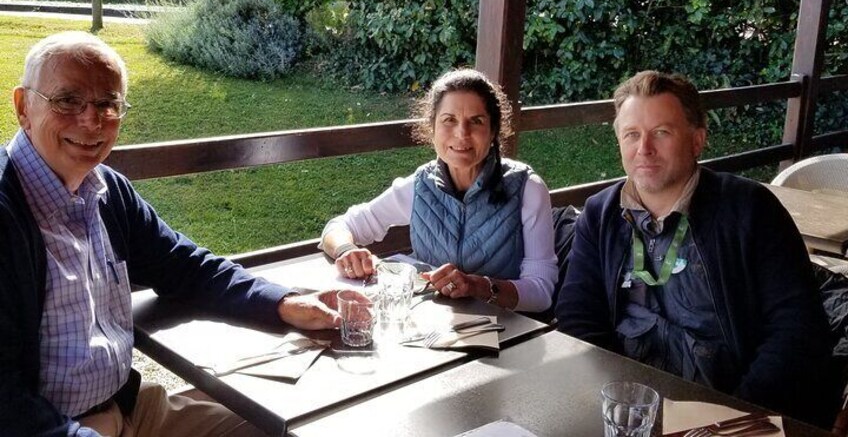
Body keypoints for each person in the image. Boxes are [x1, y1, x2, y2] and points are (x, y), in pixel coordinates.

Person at [0, 31, 346, 437]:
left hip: (130, 407)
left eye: (109, 104)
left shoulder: (107, 191)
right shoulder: (8, 213)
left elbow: (184, 266)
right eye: (68, 100)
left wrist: (283, 302)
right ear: (23, 107)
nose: (92, 120)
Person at [556, 70, 840, 426]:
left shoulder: (750, 210)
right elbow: (578, 316)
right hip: (628, 407)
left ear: (697, 140)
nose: (643, 148)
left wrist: (736, 416)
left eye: (661, 132)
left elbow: (796, 329)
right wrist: (616, 402)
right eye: (631, 134)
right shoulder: (601, 214)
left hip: (730, 408)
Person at [320, 68, 557, 313]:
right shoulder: (420, 185)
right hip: (433, 330)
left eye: (476, 121)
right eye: (449, 120)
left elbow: (541, 292)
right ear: (431, 128)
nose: (462, 133)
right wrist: (347, 251)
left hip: (510, 335)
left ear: (494, 130)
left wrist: (478, 287)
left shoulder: (527, 188)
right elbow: (339, 226)